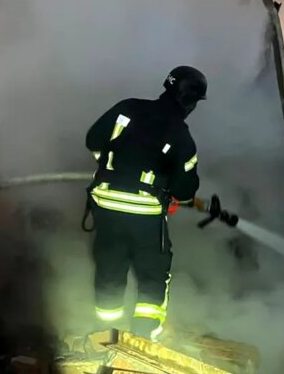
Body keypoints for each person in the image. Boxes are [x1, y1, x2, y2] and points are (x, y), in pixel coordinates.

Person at [84, 66, 205, 341]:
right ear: (190, 102)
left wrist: (110, 168)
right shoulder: (181, 136)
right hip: (145, 213)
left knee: (110, 267)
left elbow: (93, 140)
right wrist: (167, 189)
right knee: (153, 273)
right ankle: (143, 338)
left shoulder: (127, 108)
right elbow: (185, 190)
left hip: (106, 205)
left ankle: (104, 337)